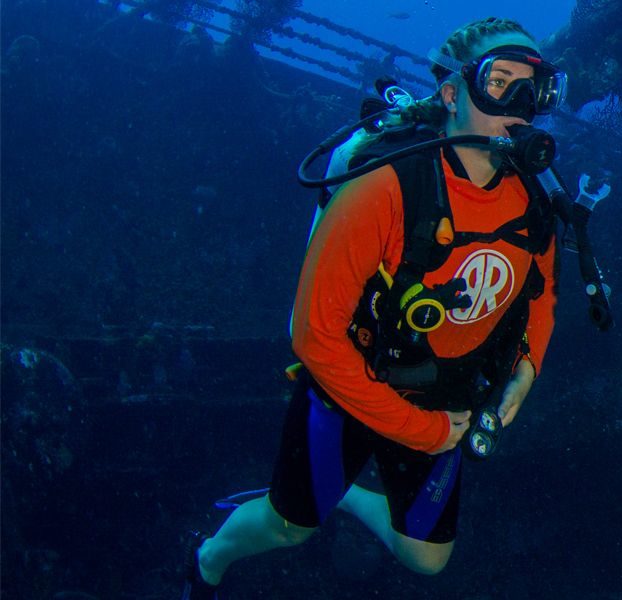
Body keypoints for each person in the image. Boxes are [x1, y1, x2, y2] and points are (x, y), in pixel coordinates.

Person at [184, 17, 564, 597]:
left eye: (533, 89)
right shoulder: (383, 187)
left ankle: (346, 497)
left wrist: (526, 374)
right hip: (354, 386)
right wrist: (422, 430)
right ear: (451, 94)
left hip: (446, 397)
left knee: (427, 558)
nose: (518, 103)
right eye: (499, 81)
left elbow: (541, 294)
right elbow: (314, 337)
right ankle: (209, 558)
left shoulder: (535, 197)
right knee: (288, 528)